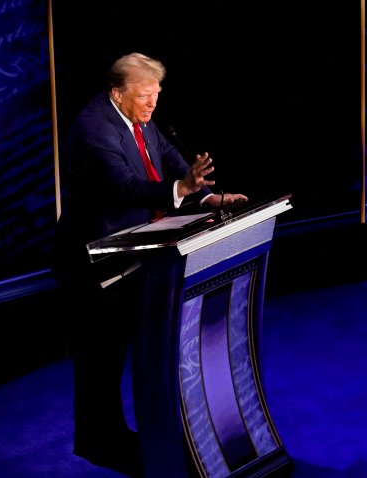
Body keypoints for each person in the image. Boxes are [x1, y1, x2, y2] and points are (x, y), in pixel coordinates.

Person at [55, 52, 247, 476]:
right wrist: (180, 187)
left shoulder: (139, 119)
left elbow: (170, 162)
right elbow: (123, 187)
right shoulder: (93, 128)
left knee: (121, 348)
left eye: (156, 95)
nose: (152, 105)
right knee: (100, 357)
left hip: (138, 253)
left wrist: (207, 196)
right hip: (96, 262)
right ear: (117, 93)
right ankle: (98, 442)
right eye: (145, 97)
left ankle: (117, 435)